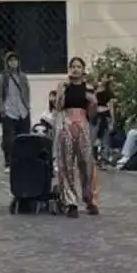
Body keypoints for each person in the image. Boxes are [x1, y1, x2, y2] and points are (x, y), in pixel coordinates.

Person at [54, 57, 99, 218]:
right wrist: (60, 94)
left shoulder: (88, 88)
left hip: (83, 125)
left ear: (83, 69)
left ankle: (89, 199)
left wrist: (93, 103)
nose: (75, 69)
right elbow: (58, 108)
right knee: (67, 164)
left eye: (78, 67)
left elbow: (93, 114)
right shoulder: (64, 86)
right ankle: (71, 201)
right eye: (73, 66)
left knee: (86, 163)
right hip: (67, 125)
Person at [0, 51, 32, 172]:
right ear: (7, 63)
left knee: (24, 137)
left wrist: (27, 107)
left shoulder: (22, 76)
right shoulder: (2, 78)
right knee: (8, 139)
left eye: (15, 60)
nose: (13, 63)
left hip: (22, 111)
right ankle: (8, 162)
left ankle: (22, 161)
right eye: (10, 61)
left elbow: (26, 92)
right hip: (9, 111)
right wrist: (2, 110)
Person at [93, 76, 115, 165]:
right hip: (96, 116)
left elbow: (111, 107)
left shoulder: (108, 92)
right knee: (95, 137)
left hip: (105, 116)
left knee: (104, 138)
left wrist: (112, 121)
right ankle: (95, 158)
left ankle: (103, 158)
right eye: (103, 77)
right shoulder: (94, 91)